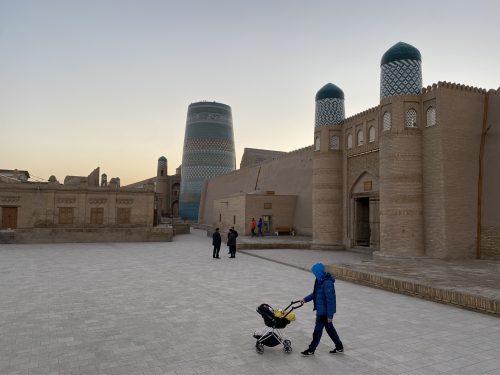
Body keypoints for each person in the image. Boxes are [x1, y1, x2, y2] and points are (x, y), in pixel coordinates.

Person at [300, 262, 344, 356]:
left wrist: (330, 315)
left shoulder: (327, 283)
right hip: (320, 311)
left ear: (319, 272)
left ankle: (311, 350)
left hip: (324, 313)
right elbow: (315, 294)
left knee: (317, 331)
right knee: (330, 330)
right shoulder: (319, 280)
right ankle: (339, 347)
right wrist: (305, 299)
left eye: (315, 272)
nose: (314, 274)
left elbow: (331, 301)